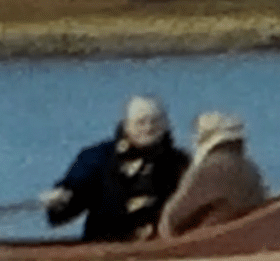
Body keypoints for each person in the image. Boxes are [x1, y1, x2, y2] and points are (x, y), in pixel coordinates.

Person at [42, 95, 191, 242]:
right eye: (141, 122)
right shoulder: (98, 158)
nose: (148, 128)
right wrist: (61, 199)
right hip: (104, 245)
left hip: (161, 247)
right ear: (126, 125)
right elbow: (72, 196)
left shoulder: (180, 162)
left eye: (155, 121)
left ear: (166, 124)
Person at [158, 111, 267, 238]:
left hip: (211, 244)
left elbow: (174, 219)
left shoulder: (213, 168)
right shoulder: (249, 167)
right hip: (246, 238)